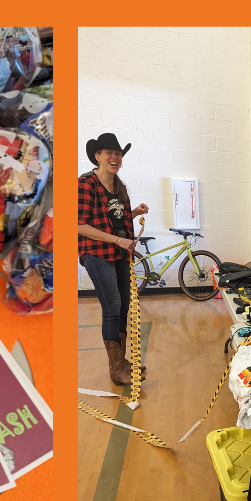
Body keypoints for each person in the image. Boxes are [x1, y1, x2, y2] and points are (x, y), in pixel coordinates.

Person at [78, 132, 149, 385]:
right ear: (97, 156)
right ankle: (116, 369)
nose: (114, 157)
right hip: (96, 254)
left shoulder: (119, 186)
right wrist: (118, 240)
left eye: (118, 154)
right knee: (112, 306)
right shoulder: (86, 184)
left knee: (123, 306)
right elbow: (78, 225)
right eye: (109, 153)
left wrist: (133, 213)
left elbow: (115, 221)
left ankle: (122, 363)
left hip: (119, 253)